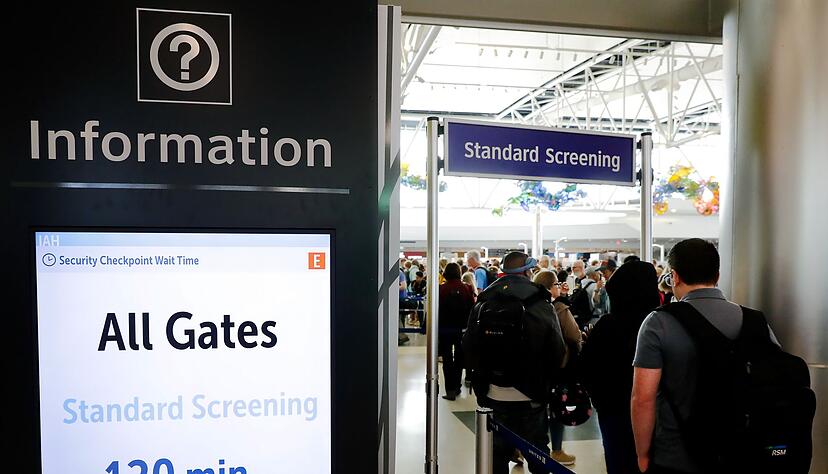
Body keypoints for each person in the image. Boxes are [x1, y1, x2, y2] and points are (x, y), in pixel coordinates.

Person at [631, 238, 780, 474]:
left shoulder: (658, 322)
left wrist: (642, 454)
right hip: (743, 451)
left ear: (675, 276)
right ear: (717, 275)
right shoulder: (755, 321)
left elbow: (643, 398)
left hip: (676, 455)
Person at [463, 252, 566, 474]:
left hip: (492, 392)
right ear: (528, 272)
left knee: (496, 455)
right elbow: (557, 349)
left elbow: (469, 344)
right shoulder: (540, 302)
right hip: (531, 394)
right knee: (538, 453)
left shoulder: (484, 300)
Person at [579, 261, 660, 474]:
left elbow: (586, 368)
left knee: (619, 463)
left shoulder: (607, 326)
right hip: (658, 414)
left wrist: (600, 401)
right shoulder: (662, 325)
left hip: (613, 412)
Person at [533, 270, 582, 466]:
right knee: (556, 409)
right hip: (558, 366)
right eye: (556, 284)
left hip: (535, 366)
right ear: (550, 287)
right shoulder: (559, 308)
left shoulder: (529, 305)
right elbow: (574, 334)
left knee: (533, 411)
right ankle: (557, 450)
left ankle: (521, 448)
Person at [439, 263, 476, 400]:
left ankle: (450, 390)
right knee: (460, 358)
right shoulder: (467, 288)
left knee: (447, 359)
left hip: (444, 330)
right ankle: (457, 386)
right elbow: (472, 308)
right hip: (462, 329)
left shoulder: (441, 289)